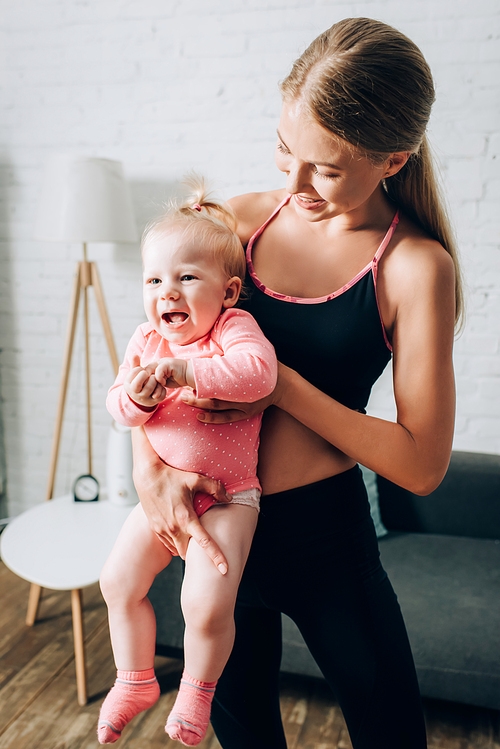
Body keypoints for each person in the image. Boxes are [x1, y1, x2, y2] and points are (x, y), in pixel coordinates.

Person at [131, 17, 463, 749]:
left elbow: (421, 462)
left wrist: (280, 387)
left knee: (393, 734)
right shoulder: (238, 225)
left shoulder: (413, 268)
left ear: (392, 159)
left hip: (327, 540)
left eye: (328, 168)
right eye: (286, 152)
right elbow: (154, 351)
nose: (296, 184)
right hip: (217, 528)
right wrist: (149, 470)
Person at [97, 178, 277, 746]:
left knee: (202, 602)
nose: (166, 293)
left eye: (185, 278)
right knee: (117, 581)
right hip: (161, 496)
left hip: (228, 497)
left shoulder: (233, 329)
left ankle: (197, 693)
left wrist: (184, 372)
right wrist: (138, 398)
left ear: (226, 293)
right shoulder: (147, 340)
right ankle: (134, 679)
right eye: (154, 279)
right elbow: (117, 408)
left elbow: (259, 376)